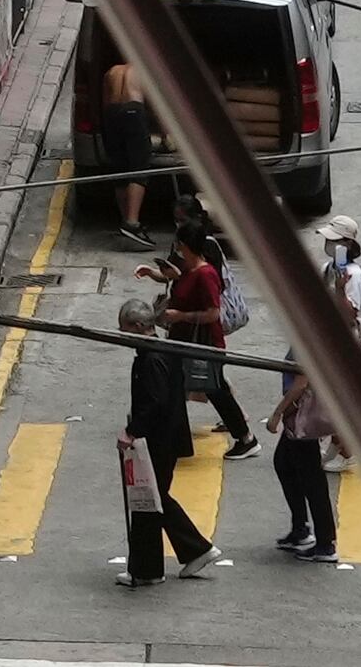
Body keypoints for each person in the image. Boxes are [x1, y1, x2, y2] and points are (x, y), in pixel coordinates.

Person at [115, 301, 221, 586]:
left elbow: (156, 402)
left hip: (159, 440)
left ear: (138, 327)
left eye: (124, 328)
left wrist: (132, 431)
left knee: (150, 500)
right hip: (166, 437)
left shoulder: (151, 358)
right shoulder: (161, 351)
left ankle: (187, 553)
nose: (121, 334)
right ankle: (157, 565)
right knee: (152, 500)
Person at [155, 224, 254, 448]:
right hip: (183, 342)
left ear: (186, 246)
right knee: (175, 387)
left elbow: (213, 313)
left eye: (179, 245)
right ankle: (173, 436)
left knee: (216, 391)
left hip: (204, 343)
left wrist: (181, 316)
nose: (177, 249)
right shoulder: (187, 269)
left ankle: (246, 438)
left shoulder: (206, 274)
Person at [267, 347, 343, 558]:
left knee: (312, 480)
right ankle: (301, 528)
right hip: (302, 418)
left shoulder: (307, 336)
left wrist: (279, 413)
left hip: (303, 419)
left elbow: (302, 382)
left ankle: (326, 543)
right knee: (284, 463)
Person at [91, 58, 167, 238]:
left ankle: (125, 220)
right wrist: (164, 133)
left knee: (119, 168)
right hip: (133, 111)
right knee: (138, 167)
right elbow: (156, 106)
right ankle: (133, 223)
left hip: (111, 114)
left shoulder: (112, 71)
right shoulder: (144, 70)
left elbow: (102, 102)